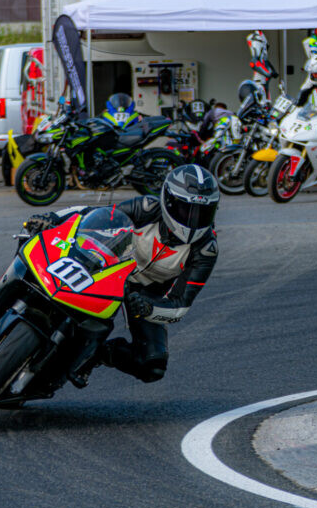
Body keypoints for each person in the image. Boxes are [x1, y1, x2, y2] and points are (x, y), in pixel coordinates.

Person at [24, 164, 220, 383]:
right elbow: (95, 214)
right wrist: (53, 217)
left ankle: (97, 353)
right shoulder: (147, 207)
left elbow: (180, 305)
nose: (193, 219)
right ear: (169, 201)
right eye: (186, 209)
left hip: (145, 294)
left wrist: (149, 307)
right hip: (109, 265)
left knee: (152, 366)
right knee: (42, 258)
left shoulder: (206, 250)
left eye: (203, 213)